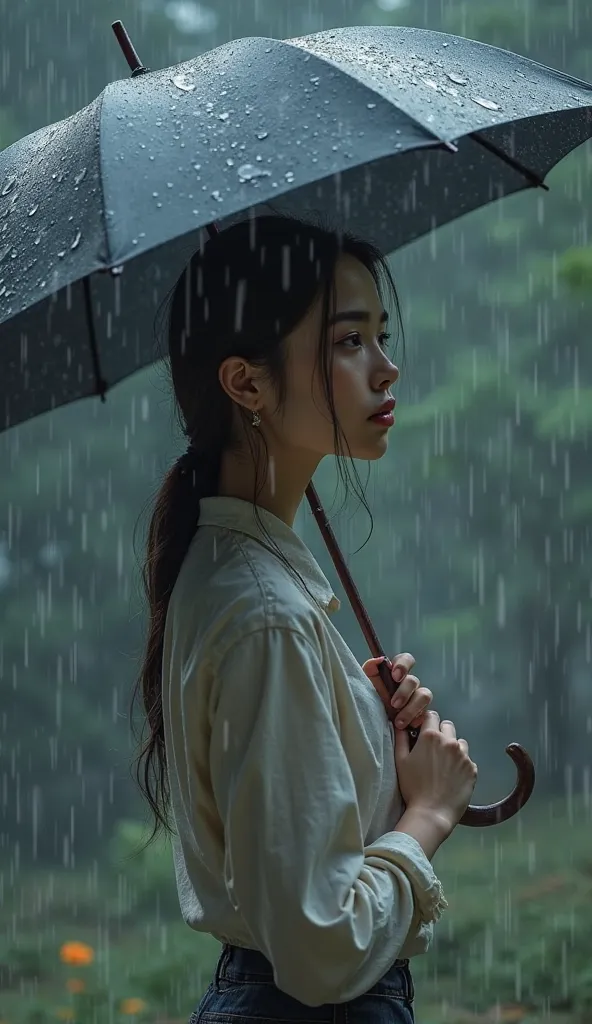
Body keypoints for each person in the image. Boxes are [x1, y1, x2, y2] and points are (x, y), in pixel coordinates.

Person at [132, 213, 478, 1023]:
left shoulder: (236, 576)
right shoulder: (265, 614)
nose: (387, 370)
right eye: (349, 342)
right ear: (247, 384)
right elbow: (323, 945)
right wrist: (426, 816)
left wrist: (352, 722)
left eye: (380, 336)